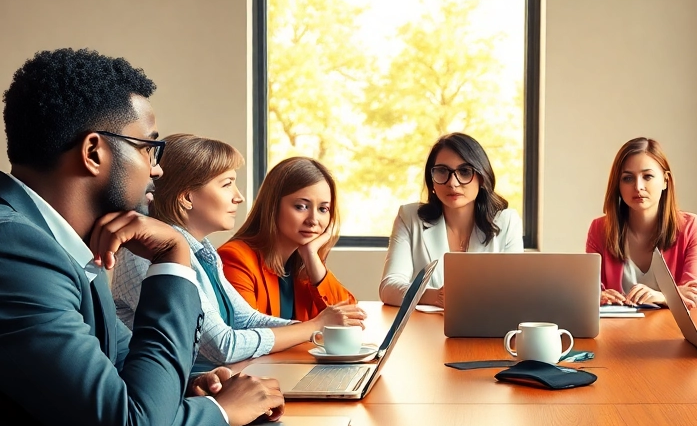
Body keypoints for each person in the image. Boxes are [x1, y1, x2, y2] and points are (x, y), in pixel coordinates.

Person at [0, 48, 284, 426]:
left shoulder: (56, 240)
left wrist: (190, 385)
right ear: (94, 152)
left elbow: (122, 370)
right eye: (150, 148)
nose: (158, 168)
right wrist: (174, 256)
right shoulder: (5, 251)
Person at [113, 134, 365, 370]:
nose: (239, 197)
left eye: (323, 209)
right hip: (161, 399)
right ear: (187, 197)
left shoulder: (204, 252)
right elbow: (224, 346)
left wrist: (316, 329)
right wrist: (315, 327)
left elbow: (246, 319)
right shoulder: (146, 253)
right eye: (227, 185)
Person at [379, 132, 523, 307]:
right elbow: (388, 288)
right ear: (431, 181)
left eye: (464, 171)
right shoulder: (410, 217)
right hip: (424, 329)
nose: (453, 183)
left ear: (482, 177)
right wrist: (435, 296)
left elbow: (514, 292)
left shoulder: (507, 221)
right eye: (442, 171)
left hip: (485, 329)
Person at [218, 157, 357, 320]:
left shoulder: (303, 266)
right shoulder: (235, 258)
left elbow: (350, 318)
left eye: (323, 209)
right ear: (273, 206)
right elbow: (248, 337)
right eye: (301, 206)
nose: (313, 219)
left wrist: (312, 255)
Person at [586, 137, 697, 309]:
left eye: (648, 176)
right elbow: (589, 292)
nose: (638, 186)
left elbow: (695, 297)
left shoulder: (692, 227)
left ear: (666, 180)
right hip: (616, 332)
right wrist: (598, 297)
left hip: (671, 332)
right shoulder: (599, 229)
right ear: (618, 185)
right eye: (628, 179)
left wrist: (661, 297)